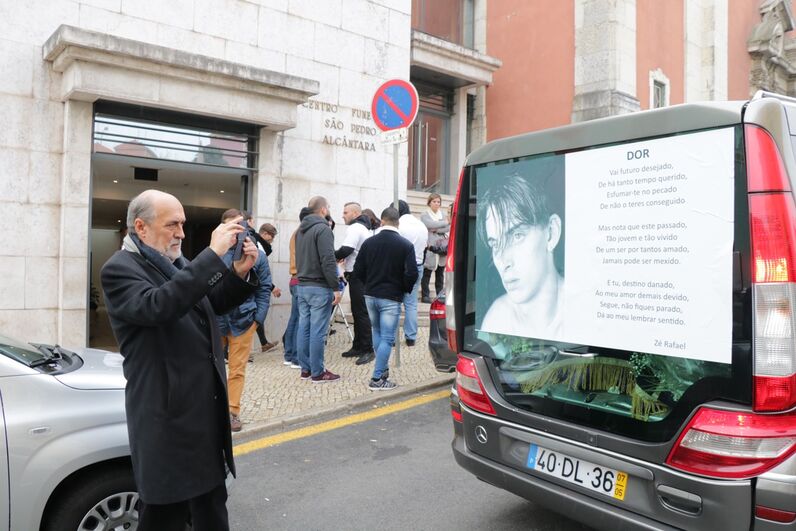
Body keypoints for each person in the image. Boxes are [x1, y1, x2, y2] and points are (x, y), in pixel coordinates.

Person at [100, 190, 260, 531]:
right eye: (172, 225)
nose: (181, 234)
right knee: (166, 515)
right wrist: (212, 255)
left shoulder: (174, 263)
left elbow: (210, 302)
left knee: (211, 509)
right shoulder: (119, 269)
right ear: (141, 227)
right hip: (167, 420)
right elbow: (159, 306)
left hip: (202, 415)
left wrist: (238, 272)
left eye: (183, 224)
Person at [477, 172, 564, 337]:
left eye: (517, 236)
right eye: (495, 244)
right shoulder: (497, 319)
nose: (504, 262)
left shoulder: (585, 312)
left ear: (551, 233)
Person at [216, 209, 271, 432]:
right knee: (210, 367)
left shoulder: (258, 255)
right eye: (231, 227)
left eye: (240, 227)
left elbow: (264, 288)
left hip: (244, 320)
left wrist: (258, 319)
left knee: (237, 369)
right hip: (217, 319)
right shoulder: (214, 253)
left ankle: (232, 411)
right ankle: (211, 408)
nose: (236, 232)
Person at [353, 207, 418, 390]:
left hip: (370, 294)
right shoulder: (406, 245)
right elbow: (412, 273)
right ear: (398, 223)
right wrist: (404, 288)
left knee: (377, 332)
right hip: (391, 296)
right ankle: (376, 379)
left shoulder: (369, 242)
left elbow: (358, 270)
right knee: (388, 338)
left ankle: (382, 371)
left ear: (382, 221)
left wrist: (368, 284)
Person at [296, 196, 342, 383]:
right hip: (319, 287)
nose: (329, 210)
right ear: (323, 209)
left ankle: (306, 369)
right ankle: (318, 372)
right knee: (317, 331)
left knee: (304, 328)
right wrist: (336, 287)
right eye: (328, 207)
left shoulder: (301, 230)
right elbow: (328, 260)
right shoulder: (323, 229)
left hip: (302, 285)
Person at [335, 202, 375, 366]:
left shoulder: (355, 228)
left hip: (358, 274)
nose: (342, 215)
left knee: (361, 312)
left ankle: (367, 349)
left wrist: (329, 256)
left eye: (345, 212)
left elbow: (346, 249)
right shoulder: (363, 228)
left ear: (355, 213)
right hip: (361, 274)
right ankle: (358, 346)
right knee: (358, 311)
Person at [283, 207, 313, 368]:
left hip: (295, 279)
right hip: (300, 279)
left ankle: (289, 355)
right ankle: (295, 357)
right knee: (301, 319)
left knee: (294, 318)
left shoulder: (297, 232)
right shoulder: (302, 233)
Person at [397, 200, 428, 346]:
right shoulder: (421, 225)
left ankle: (392, 337)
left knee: (395, 303)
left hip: (400, 266)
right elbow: (425, 247)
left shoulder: (399, 225)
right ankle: (411, 337)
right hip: (418, 265)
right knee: (411, 303)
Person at [255, 222, 281, 352]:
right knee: (254, 316)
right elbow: (258, 272)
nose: (272, 240)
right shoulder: (258, 246)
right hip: (254, 288)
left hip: (256, 286)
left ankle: (264, 343)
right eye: (272, 236)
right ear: (265, 234)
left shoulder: (260, 246)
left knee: (257, 315)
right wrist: (271, 287)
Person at [420, 193, 449, 303]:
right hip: (430, 245)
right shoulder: (424, 215)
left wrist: (435, 229)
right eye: (434, 201)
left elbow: (448, 227)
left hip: (441, 246)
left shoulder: (443, 214)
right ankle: (425, 295)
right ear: (429, 203)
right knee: (427, 272)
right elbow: (428, 224)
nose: (437, 204)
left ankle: (439, 295)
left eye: (438, 202)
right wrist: (443, 223)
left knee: (440, 274)